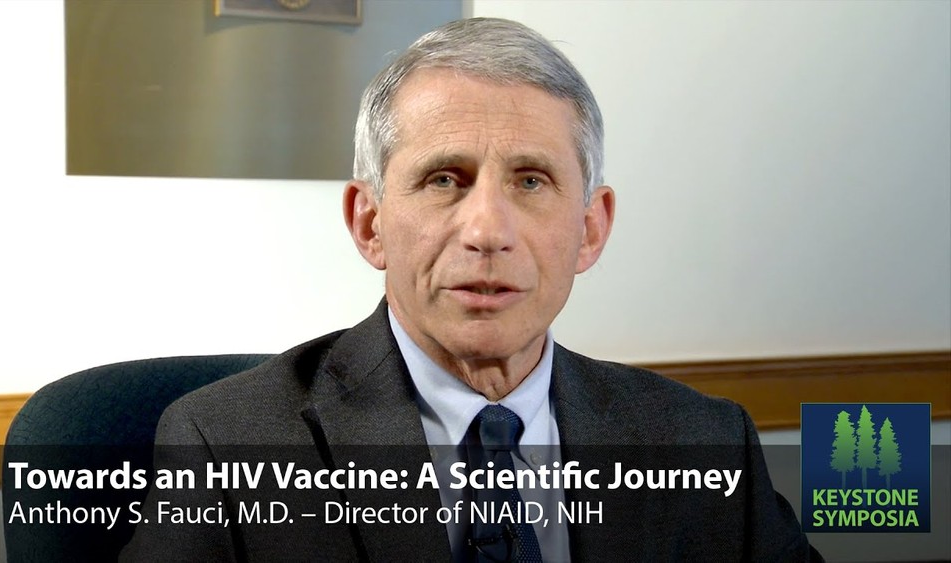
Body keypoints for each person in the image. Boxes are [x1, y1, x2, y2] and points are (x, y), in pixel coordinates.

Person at [122, 17, 820, 562]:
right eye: (444, 179)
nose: (487, 230)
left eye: (530, 181)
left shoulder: (706, 441)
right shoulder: (222, 445)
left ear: (590, 229)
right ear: (369, 223)